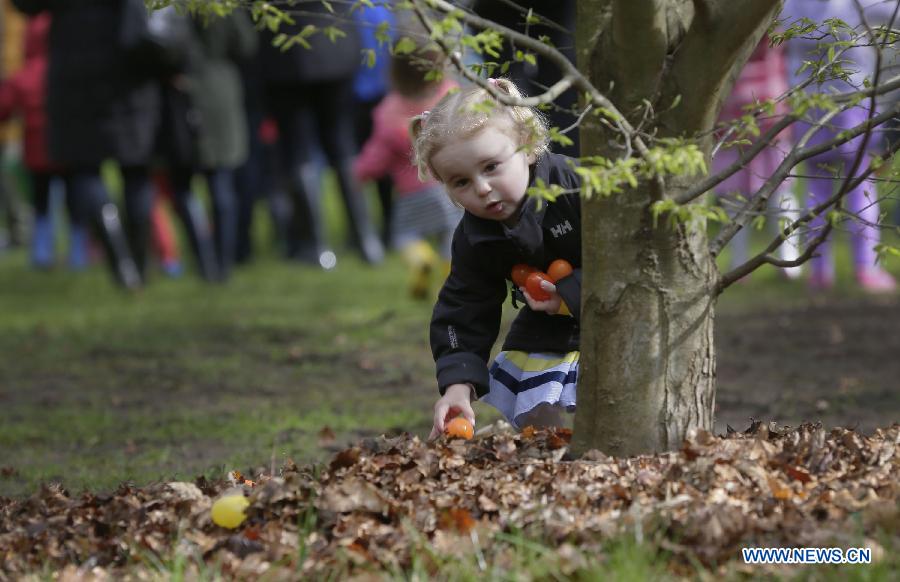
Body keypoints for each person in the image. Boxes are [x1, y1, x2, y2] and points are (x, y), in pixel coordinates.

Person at [411, 78, 583, 438]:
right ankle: (554, 462)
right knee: (535, 401)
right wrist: (458, 385)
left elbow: (632, 259)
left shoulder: (576, 187)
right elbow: (464, 304)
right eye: (461, 182)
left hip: (613, 312)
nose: (482, 188)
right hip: (548, 327)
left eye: (491, 167)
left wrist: (572, 291)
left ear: (529, 145)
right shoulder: (476, 235)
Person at [783, 0, 897, 292]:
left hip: (807, 103)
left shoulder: (791, 3)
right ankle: (866, 268)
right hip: (851, 99)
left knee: (816, 190)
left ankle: (820, 270)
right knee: (859, 185)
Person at [353, 40, 462, 299]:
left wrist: (361, 171)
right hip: (445, 188)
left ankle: (419, 259)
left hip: (411, 195)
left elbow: (378, 153)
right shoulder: (449, 98)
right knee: (452, 235)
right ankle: (448, 279)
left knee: (404, 236)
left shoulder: (388, 110)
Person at [713, 36, 802, 279]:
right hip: (754, 114)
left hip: (748, 117)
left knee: (769, 194)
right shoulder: (770, 22)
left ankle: (779, 261)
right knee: (755, 196)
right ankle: (761, 262)